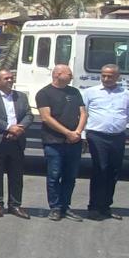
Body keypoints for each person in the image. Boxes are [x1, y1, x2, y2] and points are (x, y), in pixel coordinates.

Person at [81, 65, 129, 221]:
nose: (106, 79)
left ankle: (105, 207)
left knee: (113, 171)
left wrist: (115, 124)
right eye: (103, 75)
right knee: (100, 170)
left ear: (118, 77)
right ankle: (94, 207)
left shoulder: (126, 94)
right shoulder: (90, 92)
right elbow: (83, 114)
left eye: (110, 76)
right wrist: (83, 135)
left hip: (117, 137)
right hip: (97, 136)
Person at [36, 65, 86, 221]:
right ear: (58, 74)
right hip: (54, 142)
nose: (72, 77)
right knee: (54, 175)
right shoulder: (44, 93)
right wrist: (67, 133)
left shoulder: (74, 92)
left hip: (74, 142)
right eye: (69, 74)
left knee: (70, 176)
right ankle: (55, 207)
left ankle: (66, 206)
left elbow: (83, 113)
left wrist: (77, 132)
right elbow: (46, 117)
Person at [0, 68, 31, 219]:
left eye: (11, 77)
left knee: (16, 175)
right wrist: (8, 127)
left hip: (16, 140)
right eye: (6, 78)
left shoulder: (21, 96)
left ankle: (15, 205)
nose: (10, 80)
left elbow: (29, 114)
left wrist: (19, 129)